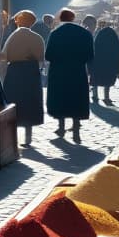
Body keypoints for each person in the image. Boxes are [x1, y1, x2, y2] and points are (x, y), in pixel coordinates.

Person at [44, 8, 95, 142]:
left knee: (61, 98)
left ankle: (61, 127)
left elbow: (48, 55)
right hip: (77, 71)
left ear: (61, 18)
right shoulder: (84, 33)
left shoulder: (55, 33)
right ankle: (76, 128)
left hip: (59, 72)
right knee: (76, 98)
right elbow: (90, 56)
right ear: (73, 18)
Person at [0, 10, 44, 146]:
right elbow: (41, 58)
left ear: (20, 20)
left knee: (14, 102)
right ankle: (28, 136)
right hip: (31, 71)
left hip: (15, 72)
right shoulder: (37, 37)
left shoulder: (13, 36)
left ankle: (12, 137)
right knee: (30, 102)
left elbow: (4, 56)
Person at [90, 19, 119, 105]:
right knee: (108, 80)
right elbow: (116, 50)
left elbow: (94, 47)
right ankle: (106, 97)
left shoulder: (98, 33)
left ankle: (95, 96)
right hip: (109, 61)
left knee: (95, 79)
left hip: (98, 61)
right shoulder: (113, 34)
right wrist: (117, 68)